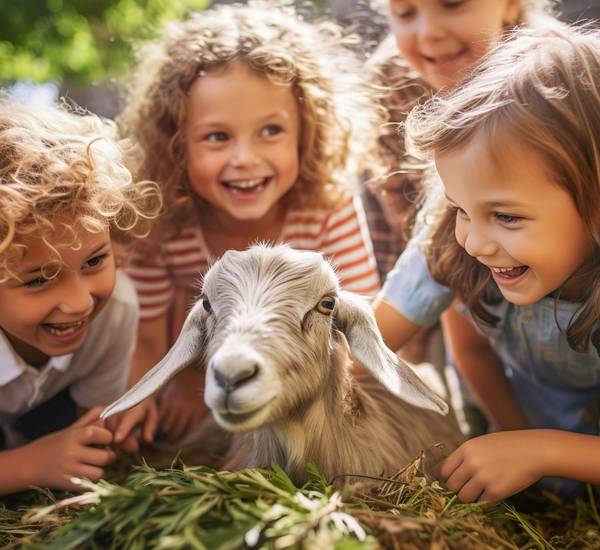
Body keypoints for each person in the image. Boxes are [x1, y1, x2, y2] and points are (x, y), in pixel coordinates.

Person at [111, 3, 382, 447]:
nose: (245, 159)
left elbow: (353, 330)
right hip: (213, 369)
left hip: (296, 378)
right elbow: (148, 338)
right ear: (177, 144)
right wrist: (166, 389)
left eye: (271, 131)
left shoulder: (327, 208)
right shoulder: (162, 222)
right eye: (217, 137)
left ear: (307, 132)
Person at [384, 25, 600, 502]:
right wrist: (513, 437)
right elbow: (370, 349)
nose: (475, 242)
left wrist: (543, 452)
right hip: (502, 418)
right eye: (461, 207)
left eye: (506, 216)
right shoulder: (452, 241)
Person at [367, 0, 559, 350]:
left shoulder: (566, 84)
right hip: (450, 274)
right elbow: (420, 237)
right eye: (405, 13)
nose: (429, 33)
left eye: (453, 4)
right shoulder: (390, 85)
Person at [0, 101, 162, 494]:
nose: (80, 302)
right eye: (39, 280)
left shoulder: (115, 310)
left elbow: (92, 427)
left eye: (94, 261)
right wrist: (30, 465)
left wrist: (110, 433)